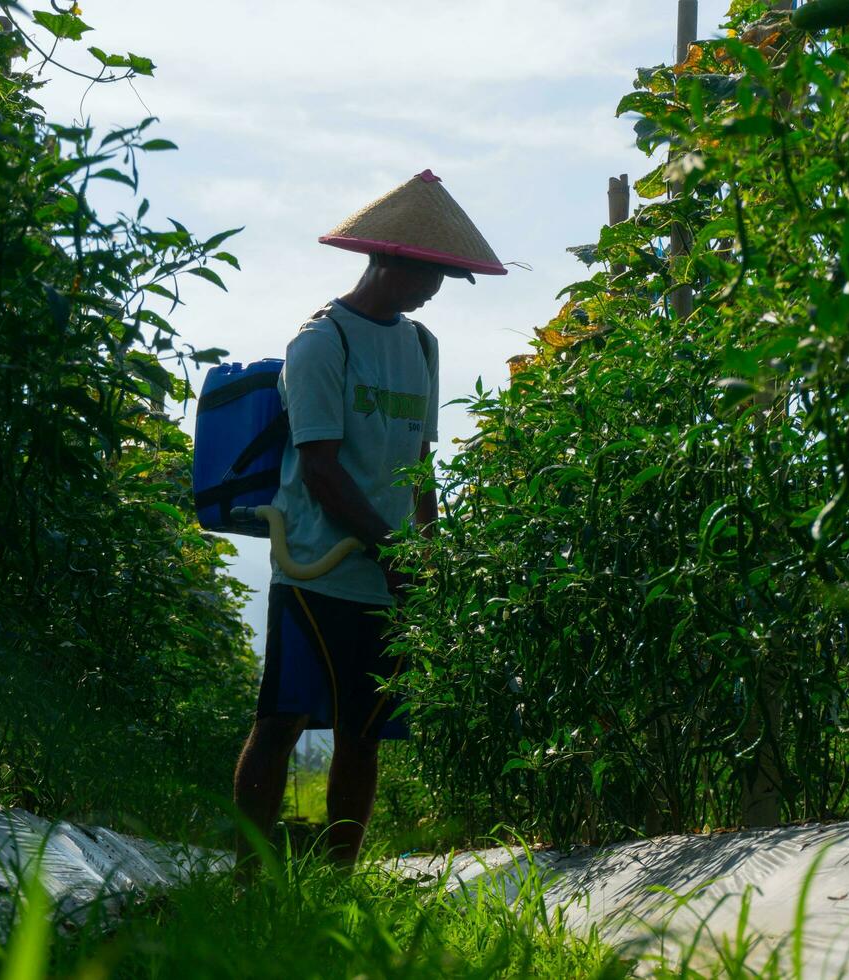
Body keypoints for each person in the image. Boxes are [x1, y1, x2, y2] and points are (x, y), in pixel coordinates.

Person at [232, 169, 506, 867]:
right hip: (317, 568)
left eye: (443, 278)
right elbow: (320, 470)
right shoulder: (323, 343)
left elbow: (420, 463)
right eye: (427, 274)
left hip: (390, 577)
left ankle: (339, 882)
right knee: (281, 721)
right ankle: (246, 873)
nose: (434, 290)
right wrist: (389, 551)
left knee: (365, 730)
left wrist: (429, 554)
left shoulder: (421, 346)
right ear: (386, 260)